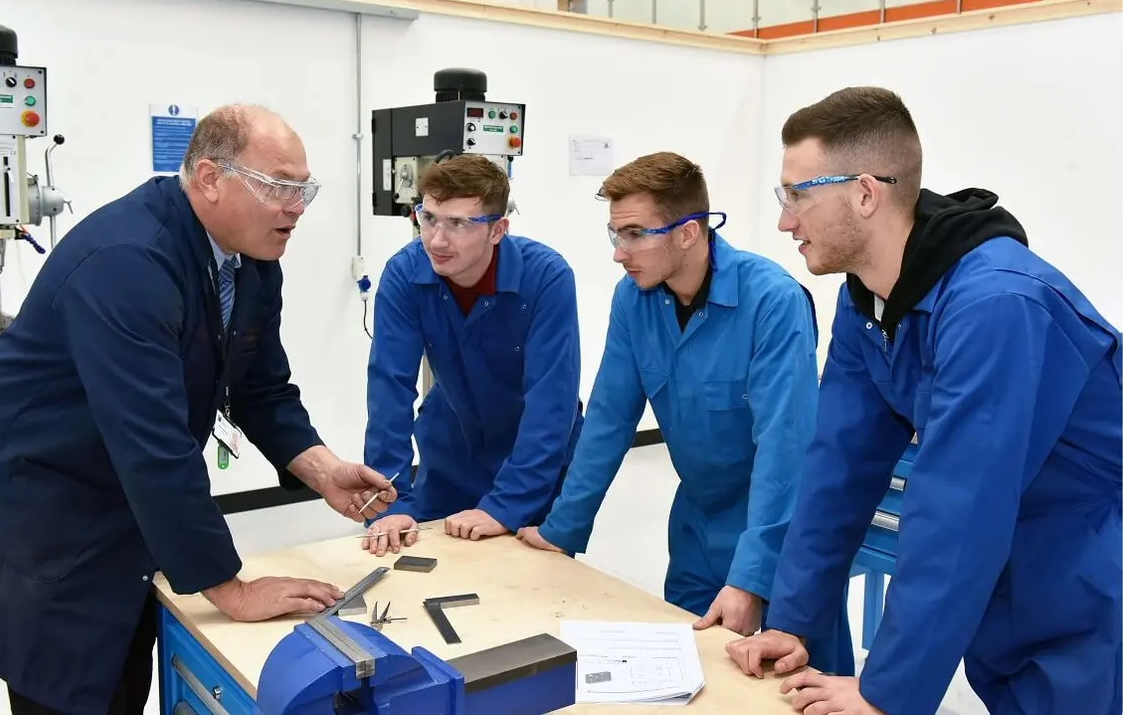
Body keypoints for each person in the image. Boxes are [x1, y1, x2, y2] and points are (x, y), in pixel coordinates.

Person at [0, 104, 399, 715]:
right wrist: (230, 588)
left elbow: (260, 387)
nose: (296, 206)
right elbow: (153, 443)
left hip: (129, 500)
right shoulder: (127, 261)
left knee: (122, 670)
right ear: (209, 178)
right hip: (51, 507)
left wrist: (323, 470)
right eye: (279, 186)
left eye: (304, 189)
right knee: (68, 682)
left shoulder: (249, 260)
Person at [728, 86, 1122, 715]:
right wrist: (792, 621)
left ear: (864, 194)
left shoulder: (996, 304)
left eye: (797, 196)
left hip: (1093, 567)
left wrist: (886, 694)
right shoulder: (867, 297)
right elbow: (839, 466)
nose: (784, 221)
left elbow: (959, 504)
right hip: (1014, 561)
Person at [516, 151, 854, 676]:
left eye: (634, 234)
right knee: (691, 677)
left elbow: (784, 449)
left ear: (688, 233)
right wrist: (562, 529)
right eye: (615, 234)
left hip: (787, 529)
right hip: (699, 523)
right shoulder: (633, 300)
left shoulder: (772, 301)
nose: (619, 253)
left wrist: (752, 579)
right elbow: (608, 420)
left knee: (806, 687)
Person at [361, 153, 584, 556]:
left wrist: (507, 505)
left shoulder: (546, 277)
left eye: (459, 224)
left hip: (536, 457)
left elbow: (551, 400)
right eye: (428, 218)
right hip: (451, 451)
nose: (436, 240)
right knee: (432, 567)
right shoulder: (405, 273)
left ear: (498, 230)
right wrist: (390, 503)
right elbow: (389, 389)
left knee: (531, 580)